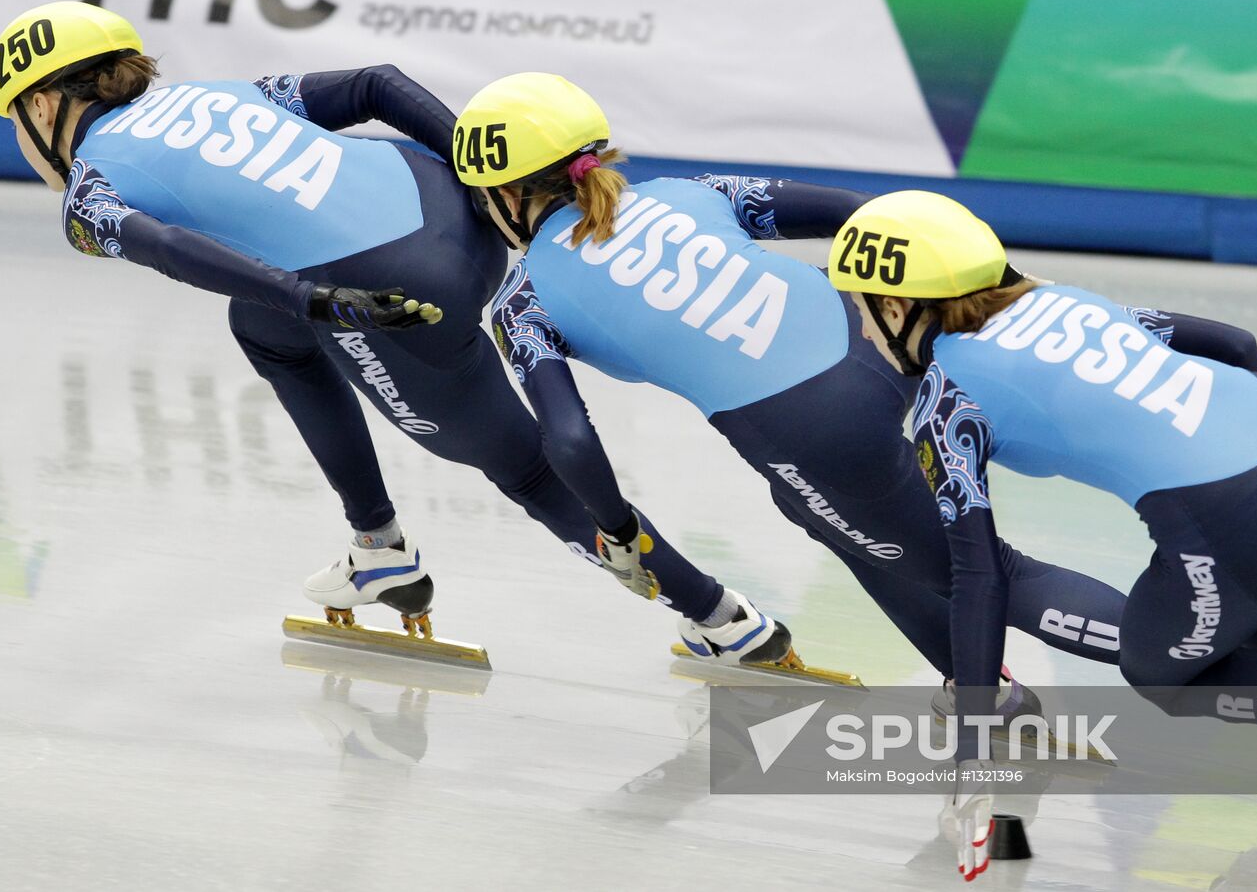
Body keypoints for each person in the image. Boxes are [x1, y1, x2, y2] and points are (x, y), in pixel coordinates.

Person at [0, 1, 779, 662]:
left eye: (16, 122)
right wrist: (484, 179)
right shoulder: (221, 91)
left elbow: (169, 250)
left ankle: (720, 617)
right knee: (261, 326)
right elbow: (377, 84)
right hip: (447, 201)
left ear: (45, 105)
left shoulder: (89, 190)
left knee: (533, 474)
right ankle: (378, 547)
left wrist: (312, 298)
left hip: (398, 296)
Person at [453, 71, 1142, 685]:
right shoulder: (690, 193)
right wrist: (991, 285)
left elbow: (569, 439)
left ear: (509, 194)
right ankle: (978, 682)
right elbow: (855, 212)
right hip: (878, 328)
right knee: (814, 509)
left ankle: (1213, 660)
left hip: (815, 424)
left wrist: (619, 533)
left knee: (989, 572)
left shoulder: (524, 301)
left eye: (485, 198)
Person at [825, 189, 1257, 880]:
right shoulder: (1058, 301)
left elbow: (980, 577)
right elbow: (1234, 344)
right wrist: (1253, 466)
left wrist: (971, 754)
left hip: (1237, 510)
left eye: (859, 310)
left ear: (896, 308)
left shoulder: (946, 401)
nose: (863, 333)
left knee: (1160, 673)